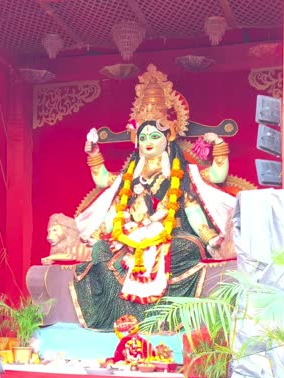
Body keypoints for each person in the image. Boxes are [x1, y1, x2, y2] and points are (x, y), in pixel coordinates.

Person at [70, 64, 237, 331]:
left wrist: (209, 238)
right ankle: (123, 317)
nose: (148, 141)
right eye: (143, 136)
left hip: (172, 237)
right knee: (101, 251)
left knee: (189, 249)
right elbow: (103, 180)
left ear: (167, 139)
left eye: (155, 136)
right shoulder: (129, 175)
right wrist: (93, 152)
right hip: (129, 239)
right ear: (137, 142)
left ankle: (157, 319)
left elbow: (214, 179)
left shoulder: (182, 172)